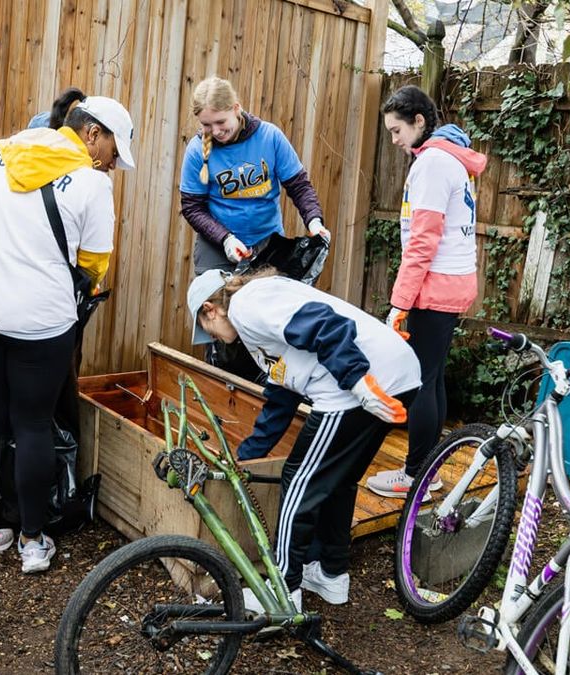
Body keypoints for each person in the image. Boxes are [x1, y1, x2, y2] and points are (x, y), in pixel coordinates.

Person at [0, 89, 135, 573]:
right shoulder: (91, 184)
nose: (110, 163)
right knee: (33, 425)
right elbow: (93, 263)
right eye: (111, 150)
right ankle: (32, 542)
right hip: (41, 323)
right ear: (91, 133)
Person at [186, 268, 420, 608]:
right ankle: (331, 574)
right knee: (339, 481)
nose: (213, 339)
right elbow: (281, 397)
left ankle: (282, 591)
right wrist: (245, 456)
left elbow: (324, 324)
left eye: (206, 330)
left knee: (298, 481)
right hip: (399, 377)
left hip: (358, 388)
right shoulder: (257, 321)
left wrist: (357, 382)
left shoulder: (247, 306)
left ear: (211, 309)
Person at [365, 85, 489, 499]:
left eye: (397, 131)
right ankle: (427, 469)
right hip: (449, 282)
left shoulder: (434, 163)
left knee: (418, 381)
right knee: (430, 378)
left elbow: (423, 240)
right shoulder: (445, 159)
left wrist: (400, 302)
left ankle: (417, 474)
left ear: (419, 122)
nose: (395, 140)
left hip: (435, 285)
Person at [179, 76, 330, 274]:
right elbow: (192, 207)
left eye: (220, 121)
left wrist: (314, 221)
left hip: (268, 245)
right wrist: (226, 239)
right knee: (217, 305)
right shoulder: (197, 150)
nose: (215, 131)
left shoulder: (270, 137)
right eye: (207, 125)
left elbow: (299, 186)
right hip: (217, 245)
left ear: (236, 108)